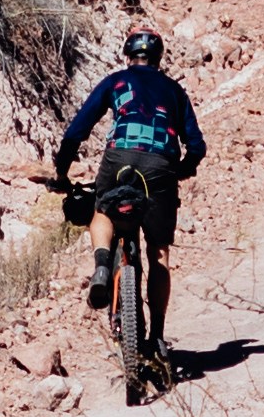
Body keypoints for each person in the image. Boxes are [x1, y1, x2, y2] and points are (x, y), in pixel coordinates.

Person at [55, 22, 203, 394]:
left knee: (101, 212)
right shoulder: (175, 91)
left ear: (127, 55)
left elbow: (77, 130)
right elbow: (196, 145)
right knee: (159, 253)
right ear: (158, 58)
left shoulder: (117, 82)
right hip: (160, 166)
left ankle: (103, 265)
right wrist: (181, 169)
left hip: (119, 157)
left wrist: (62, 169)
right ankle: (156, 336)